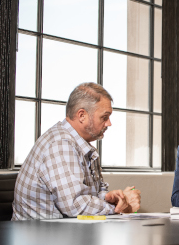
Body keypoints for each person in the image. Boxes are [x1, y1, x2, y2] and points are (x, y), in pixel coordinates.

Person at [12, 82, 141, 220]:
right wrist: (120, 208)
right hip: (39, 236)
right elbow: (75, 206)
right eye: (105, 117)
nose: (109, 123)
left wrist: (110, 198)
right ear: (82, 115)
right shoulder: (61, 144)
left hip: (61, 232)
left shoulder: (80, 146)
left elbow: (87, 196)